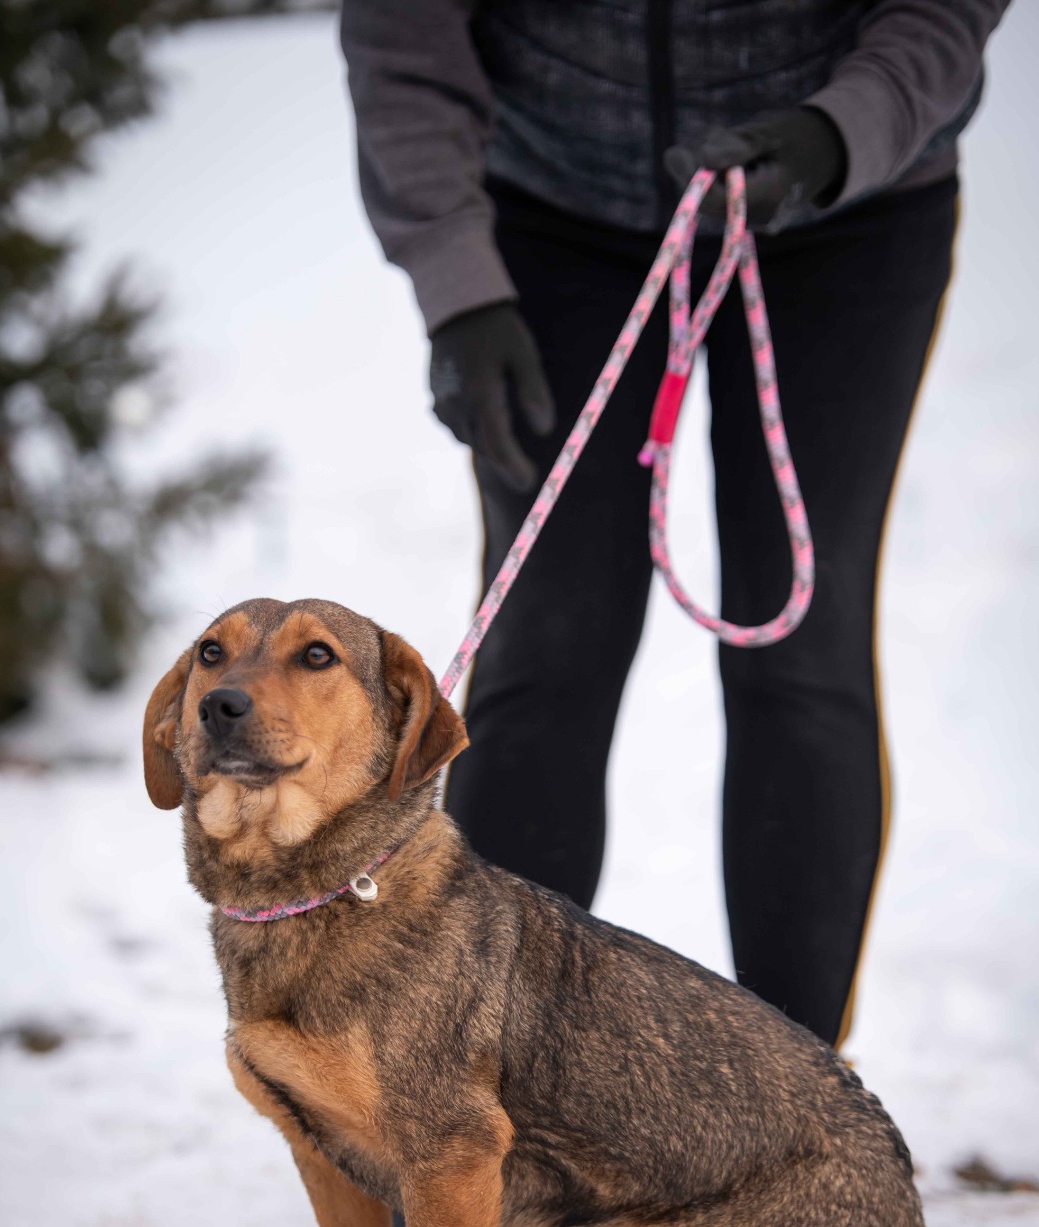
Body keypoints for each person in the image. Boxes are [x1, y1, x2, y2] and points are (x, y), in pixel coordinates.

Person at [340, 0, 1009, 1051]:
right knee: (547, 646)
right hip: (551, 218)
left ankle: (794, 1109)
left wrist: (843, 129)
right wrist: (455, 280)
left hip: (847, 206)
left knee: (802, 650)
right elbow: (402, 32)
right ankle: (484, 1094)